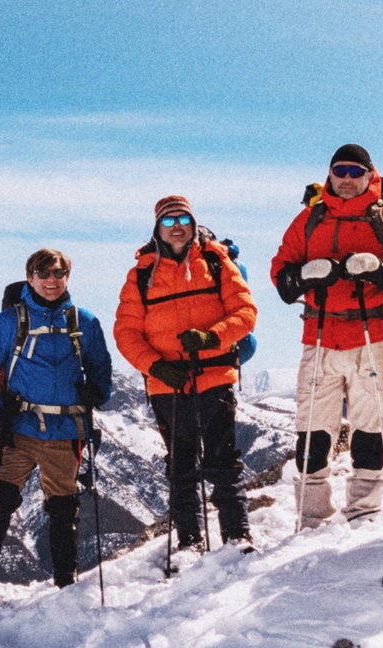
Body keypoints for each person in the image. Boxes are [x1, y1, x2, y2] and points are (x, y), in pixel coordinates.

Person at [270, 144, 383, 528]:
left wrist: (379, 269)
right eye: (340, 170)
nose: (346, 179)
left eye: (355, 172)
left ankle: (363, 512)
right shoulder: (307, 221)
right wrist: (305, 274)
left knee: (369, 431)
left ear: (370, 176)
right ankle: (311, 515)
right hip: (320, 336)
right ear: (329, 175)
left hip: (372, 334)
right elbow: (281, 277)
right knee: (311, 434)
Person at [114, 195, 258, 553]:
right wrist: (155, 366)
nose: (176, 226)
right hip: (167, 384)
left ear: (193, 225)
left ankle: (237, 535)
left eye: (182, 219)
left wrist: (212, 338)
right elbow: (126, 333)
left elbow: (245, 312)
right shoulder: (141, 275)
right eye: (168, 221)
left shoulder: (216, 261)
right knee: (181, 467)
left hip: (215, 377)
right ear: (157, 228)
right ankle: (189, 541)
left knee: (222, 461)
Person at [0, 248, 113, 588]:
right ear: (30, 277)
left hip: (65, 429)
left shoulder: (84, 322)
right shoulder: (9, 322)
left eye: (58, 273)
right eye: (43, 273)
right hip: (19, 427)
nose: (51, 280)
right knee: (3, 496)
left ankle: (66, 578)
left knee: (63, 506)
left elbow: (101, 367)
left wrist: (98, 392)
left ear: (67, 277)